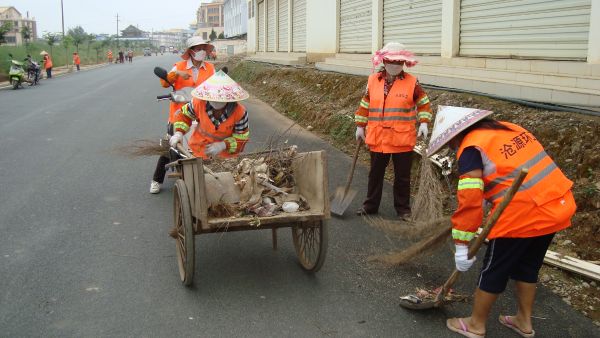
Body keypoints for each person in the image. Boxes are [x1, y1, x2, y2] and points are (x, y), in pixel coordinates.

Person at [425, 106, 577, 338]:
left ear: (457, 134)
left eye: (449, 143)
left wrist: (462, 245)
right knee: (527, 266)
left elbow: (470, 199)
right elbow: (507, 170)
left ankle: (476, 324)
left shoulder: (470, 148)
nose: (451, 147)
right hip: (556, 205)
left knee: (493, 268)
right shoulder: (510, 129)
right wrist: (489, 198)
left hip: (522, 214)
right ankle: (523, 321)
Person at [353, 42, 432, 220]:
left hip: (401, 139)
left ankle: (403, 210)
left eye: (399, 62)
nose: (395, 65)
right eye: (391, 61)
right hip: (378, 137)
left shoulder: (412, 83)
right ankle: (370, 205)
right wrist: (360, 125)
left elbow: (424, 103)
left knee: (402, 177)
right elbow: (365, 103)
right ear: (384, 60)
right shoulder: (373, 80)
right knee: (375, 174)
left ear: (404, 62)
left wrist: (424, 123)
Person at [150, 36, 216, 194]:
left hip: (201, 114)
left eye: (203, 48)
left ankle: (208, 177)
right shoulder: (178, 66)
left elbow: (216, 87)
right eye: (198, 48)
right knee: (171, 147)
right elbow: (165, 83)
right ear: (191, 51)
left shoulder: (210, 69)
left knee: (208, 145)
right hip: (179, 114)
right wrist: (178, 74)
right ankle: (156, 180)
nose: (201, 51)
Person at [169, 70, 250, 160]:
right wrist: (179, 133)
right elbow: (184, 115)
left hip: (225, 159)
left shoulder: (240, 112)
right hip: (198, 151)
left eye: (220, 98)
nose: (216, 101)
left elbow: (241, 139)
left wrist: (223, 145)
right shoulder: (198, 103)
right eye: (213, 97)